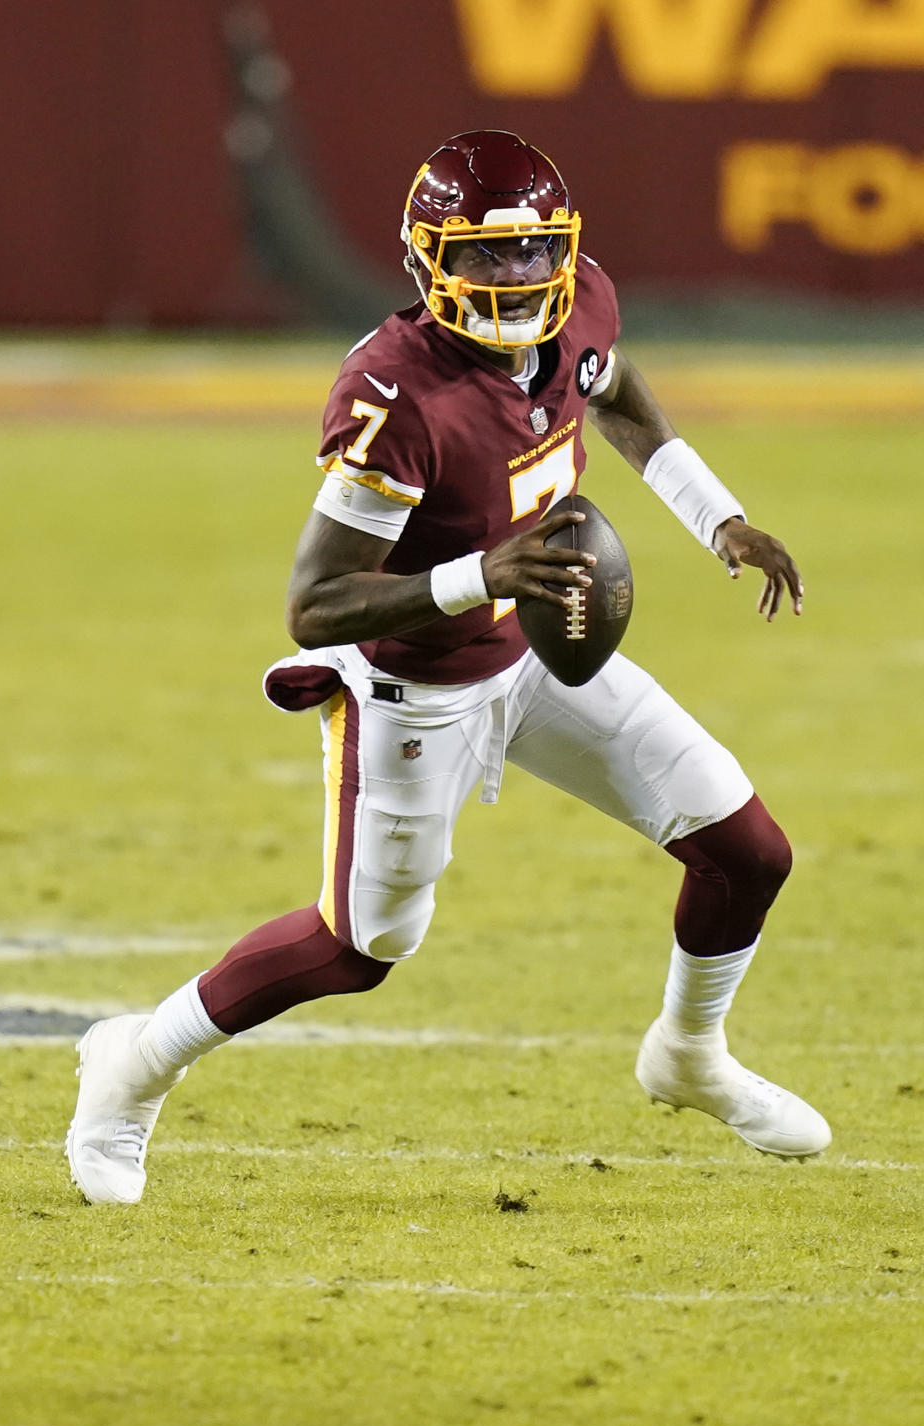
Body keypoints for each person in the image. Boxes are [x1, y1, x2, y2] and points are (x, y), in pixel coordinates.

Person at [66, 130, 830, 1205]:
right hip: (412, 686)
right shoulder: (397, 394)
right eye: (482, 256)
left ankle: (690, 1055)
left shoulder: (583, 307)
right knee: (360, 946)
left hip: (536, 652)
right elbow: (317, 602)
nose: (514, 281)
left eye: (532, 255)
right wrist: (484, 575)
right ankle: (131, 1064)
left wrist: (722, 521)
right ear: (429, 259)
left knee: (747, 852)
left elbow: (615, 395)